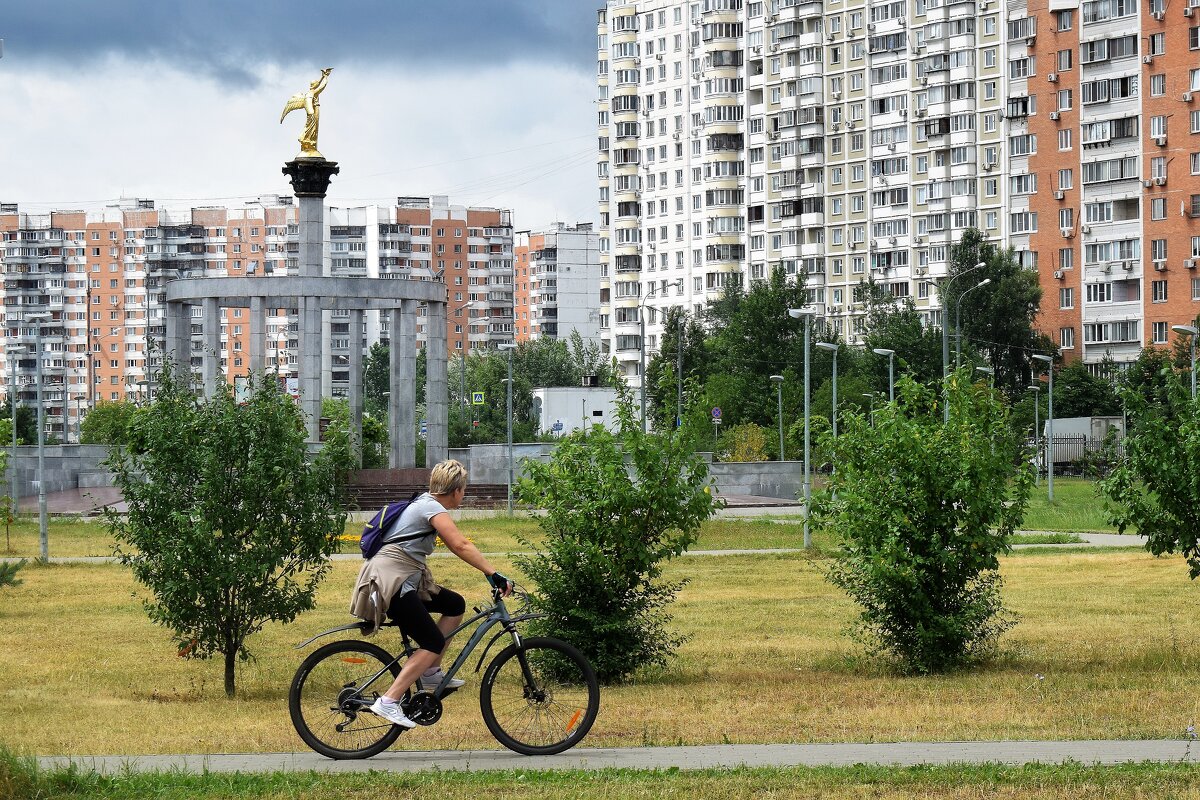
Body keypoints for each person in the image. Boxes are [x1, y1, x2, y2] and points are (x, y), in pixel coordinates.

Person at [349, 459, 512, 729]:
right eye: (464, 489)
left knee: (454, 604)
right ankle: (389, 701)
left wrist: (487, 573)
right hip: (391, 583)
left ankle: (431, 672)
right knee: (432, 641)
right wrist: (493, 573)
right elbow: (459, 544)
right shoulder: (430, 507)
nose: (464, 494)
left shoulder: (425, 503)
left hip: (404, 580)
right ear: (457, 490)